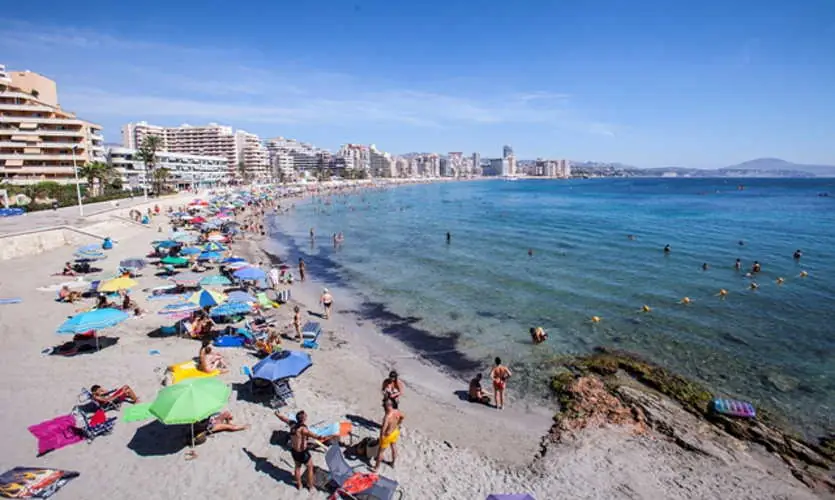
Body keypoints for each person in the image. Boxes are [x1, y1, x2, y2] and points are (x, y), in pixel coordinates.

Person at [278, 410, 336, 491]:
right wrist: (330, 436)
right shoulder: (303, 429)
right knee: (310, 468)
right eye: (305, 416)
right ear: (303, 419)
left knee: (297, 468)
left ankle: (299, 485)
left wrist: (277, 414)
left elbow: (283, 418)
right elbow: (318, 437)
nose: (306, 416)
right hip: (303, 453)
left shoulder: (292, 424)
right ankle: (310, 486)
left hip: (294, 451)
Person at [374, 397, 405, 472]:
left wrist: (381, 439)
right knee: (393, 447)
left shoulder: (387, 417)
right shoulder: (397, 411)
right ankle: (393, 463)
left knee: (380, 452)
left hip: (387, 435)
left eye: (384, 405)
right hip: (395, 432)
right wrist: (398, 423)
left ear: (387, 406)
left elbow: (383, 430)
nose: (383, 407)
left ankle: (376, 468)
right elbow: (403, 416)